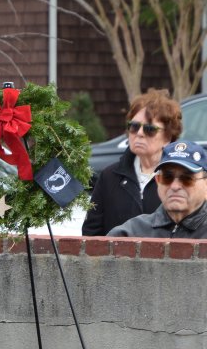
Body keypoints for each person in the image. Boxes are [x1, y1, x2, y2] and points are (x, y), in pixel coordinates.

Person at [82, 88, 182, 235]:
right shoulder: (109, 176)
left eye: (149, 129)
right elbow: (91, 233)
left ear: (168, 137)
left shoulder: (182, 180)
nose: (139, 133)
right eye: (134, 126)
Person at [108, 140, 207, 238]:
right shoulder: (130, 233)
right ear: (157, 180)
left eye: (187, 179)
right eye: (167, 177)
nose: (175, 186)